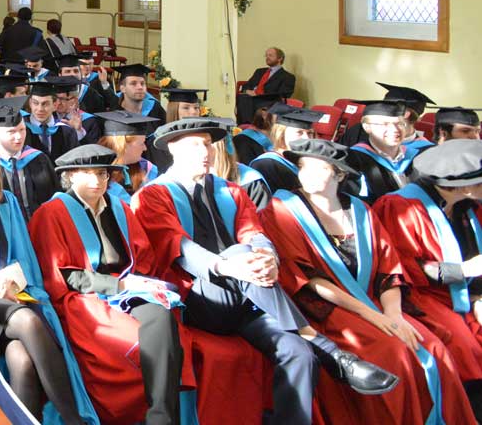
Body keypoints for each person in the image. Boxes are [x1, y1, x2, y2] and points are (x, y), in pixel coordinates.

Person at [135, 118, 395, 425]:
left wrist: (268, 257)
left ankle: (312, 359)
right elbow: (177, 247)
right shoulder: (153, 195)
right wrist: (231, 265)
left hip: (249, 298)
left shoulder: (230, 190)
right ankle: (332, 352)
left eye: (207, 143)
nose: (205, 151)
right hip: (198, 299)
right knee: (239, 252)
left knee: (299, 355)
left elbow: (254, 232)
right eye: (195, 144)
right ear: (173, 148)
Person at [259, 139, 474, 424]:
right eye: (302, 167)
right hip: (325, 309)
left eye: (318, 168)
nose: (306, 175)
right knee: (391, 352)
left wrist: (394, 314)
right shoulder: (281, 209)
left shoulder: (362, 211)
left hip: (376, 303)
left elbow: (389, 268)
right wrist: (371, 315)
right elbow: (308, 280)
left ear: (339, 174)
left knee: (432, 346)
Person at [28, 145, 187, 425]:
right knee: (131, 341)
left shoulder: (120, 208)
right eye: (88, 174)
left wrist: (138, 284)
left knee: (162, 317)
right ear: (71, 176)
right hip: (83, 297)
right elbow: (61, 275)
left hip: (129, 287)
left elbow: (143, 258)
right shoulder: (52, 213)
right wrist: (118, 287)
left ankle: (161, 415)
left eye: (102, 174)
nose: (97, 181)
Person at [371, 140, 482, 394]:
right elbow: (405, 267)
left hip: (463, 292)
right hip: (419, 296)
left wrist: (477, 295)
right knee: (465, 348)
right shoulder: (401, 207)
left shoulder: (470, 207)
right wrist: (464, 271)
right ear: (464, 186)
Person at [0, 96, 59, 218]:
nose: (19, 137)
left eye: (22, 130)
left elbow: (53, 197)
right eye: (11, 131)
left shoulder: (38, 158)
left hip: (38, 223)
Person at [345, 100, 423, 203]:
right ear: (367, 127)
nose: (395, 129)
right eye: (385, 124)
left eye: (400, 124)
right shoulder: (353, 160)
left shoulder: (418, 156)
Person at [245, 105, 323, 196]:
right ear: (281, 134)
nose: (306, 138)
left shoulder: (315, 163)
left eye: (310, 133)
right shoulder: (265, 165)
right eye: (299, 132)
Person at [92, 110, 161, 197]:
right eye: (141, 143)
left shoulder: (147, 169)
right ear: (123, 145)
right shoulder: (93, 172)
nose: (145, 148)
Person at [22, 80, 81, 162]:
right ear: (30, 103)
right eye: (35, 103)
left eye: (45, 104)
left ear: (55, 105)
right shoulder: (21, 129)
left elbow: (75, 161)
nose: (40, 109)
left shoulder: (67, 132)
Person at [236, 47, 295, 124]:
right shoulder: (259, 71)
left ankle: (249, 126)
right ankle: (242, 126)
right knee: (242, 97)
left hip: (268, 101)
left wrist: (260, 95)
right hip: (252, 98)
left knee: (250, 102)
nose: (267, 57)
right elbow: (247, 85)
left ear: (280, 58)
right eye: (266, 55)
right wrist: (247, 91)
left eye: (270, 55)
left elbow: (285, 93)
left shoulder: (287, 76)